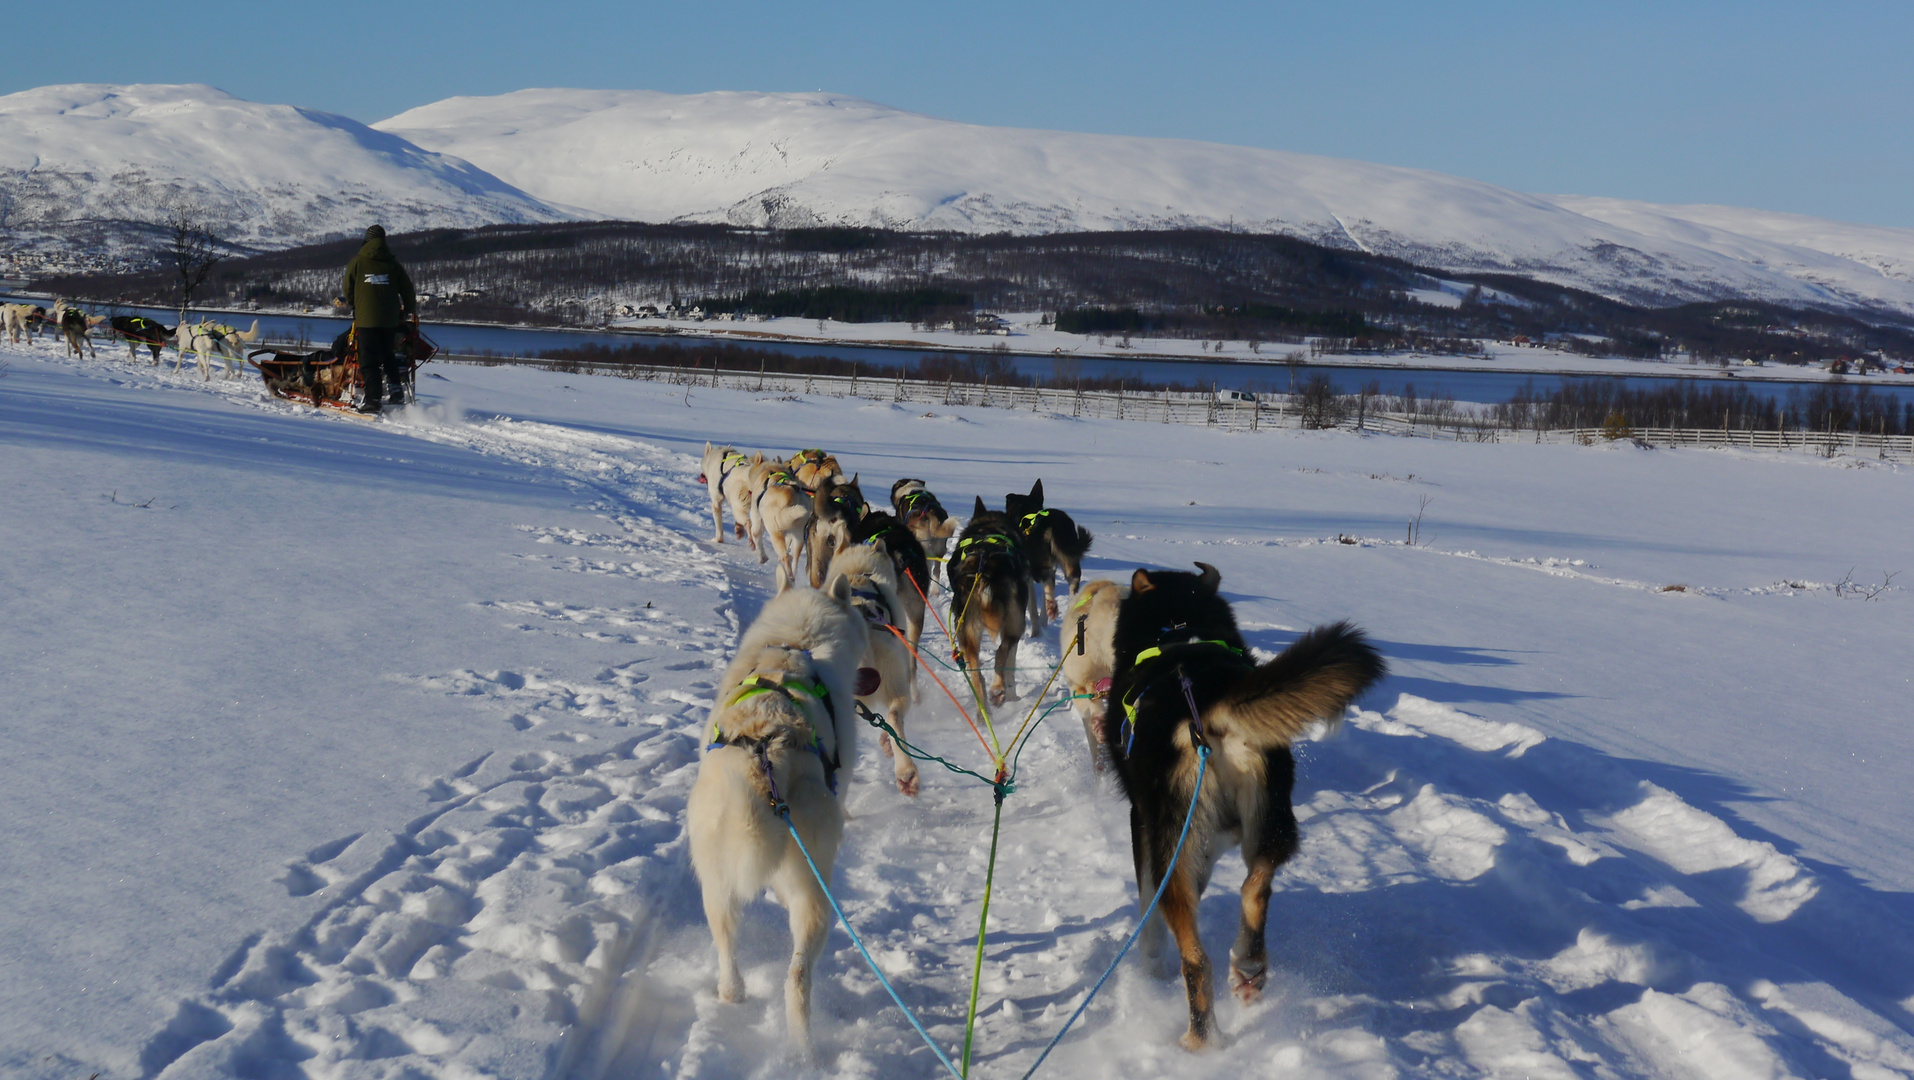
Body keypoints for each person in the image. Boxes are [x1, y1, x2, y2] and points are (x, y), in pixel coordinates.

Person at [339, 224, 417, 413]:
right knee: (388, 355)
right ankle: (396, 391)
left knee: (368, 360)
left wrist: (355, 303)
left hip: (366, 319)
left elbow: (347, 288)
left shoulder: (357, 262)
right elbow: (408, 290)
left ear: (367, 240)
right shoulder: (392, 264)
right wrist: (408, 310)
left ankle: (373, 399)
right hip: (390, 320)